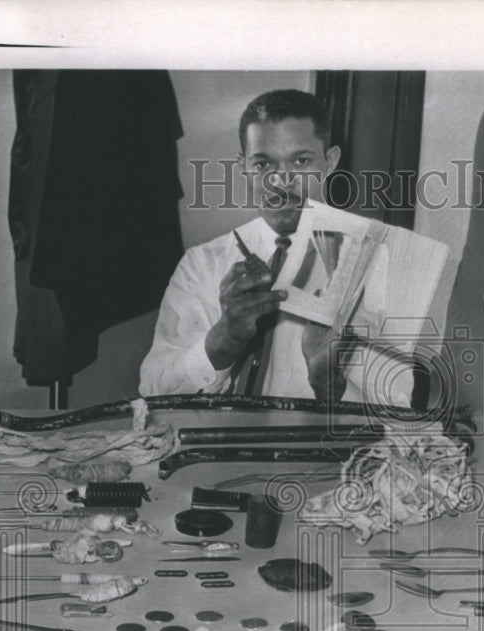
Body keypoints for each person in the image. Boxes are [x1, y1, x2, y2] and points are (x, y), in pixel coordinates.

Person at [139, 89, 444, 407]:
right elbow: (153, 393)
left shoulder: (379, 264)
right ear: (243, 167)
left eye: (301, 161)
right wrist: (222, 341)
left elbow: (397, 410)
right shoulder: (201, 263)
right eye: (263, 165)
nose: (282, 181)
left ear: (330, 161)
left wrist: (327, 380)